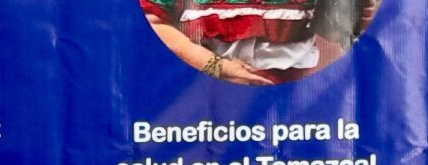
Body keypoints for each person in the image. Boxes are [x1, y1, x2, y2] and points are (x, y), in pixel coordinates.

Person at [139, 0, 379, 86]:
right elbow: (155, 24)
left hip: (299, 91)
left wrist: (359, 16)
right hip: (203, 94)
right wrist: (217, 67)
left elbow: (341, 28)